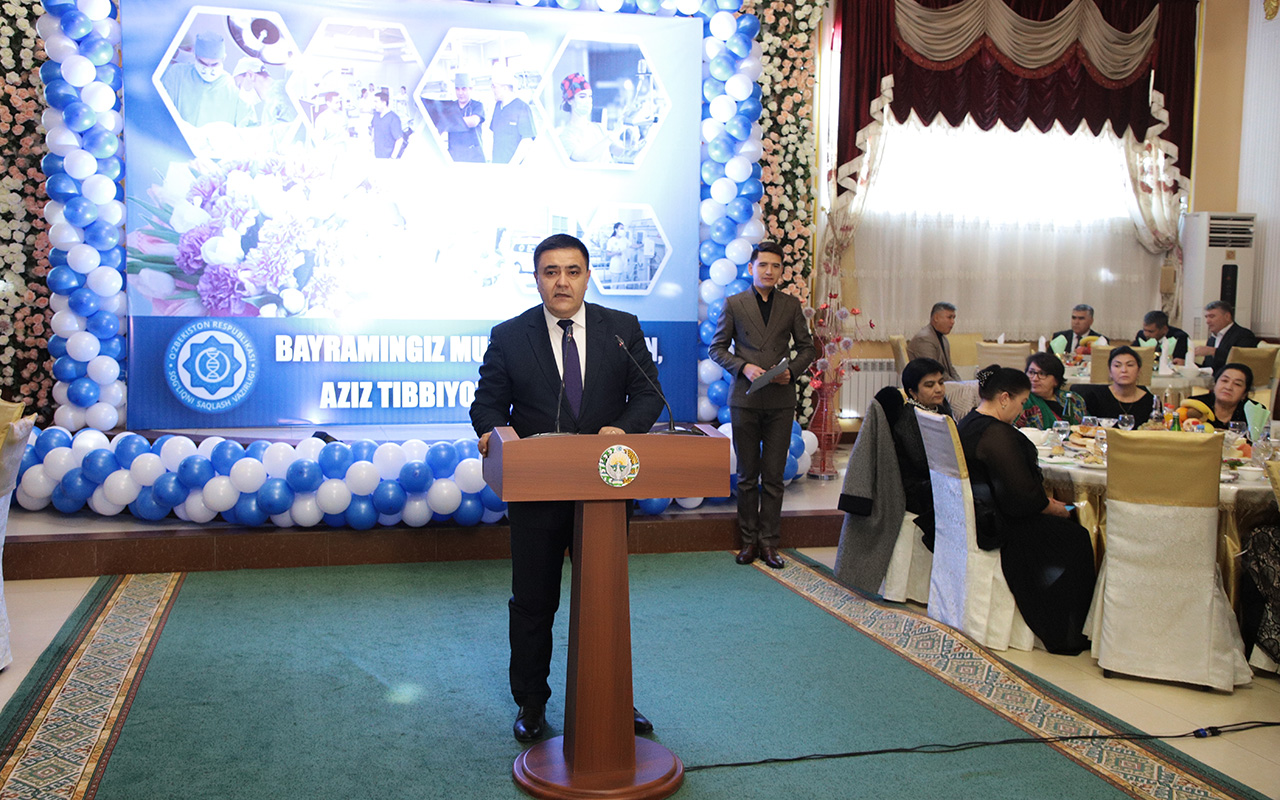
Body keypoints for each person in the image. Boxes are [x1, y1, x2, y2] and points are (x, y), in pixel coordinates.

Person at [470, 233, 664, 744]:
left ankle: (612, 697)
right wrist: (493, 431)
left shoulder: (621, 329)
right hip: (537, 490)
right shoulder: (510, 336)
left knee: (603, 599)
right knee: (534, 603)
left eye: (572, 271)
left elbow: (648, 394)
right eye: (551, 272)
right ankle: (531, 701)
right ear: (536, 279)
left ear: (587, 277)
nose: (562, 282)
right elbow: (487, 404)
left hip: (604, 488)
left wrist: (623, 429)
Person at [957, 366, 1095, 654]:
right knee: (1077, 537)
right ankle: (1066, 629)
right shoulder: (996, 433)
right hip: (998, 524)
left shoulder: (969, 421)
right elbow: (1021, 498)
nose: (1021, 410)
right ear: (1004, 398)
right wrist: (1054, 508)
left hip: (975, 514)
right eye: (1021, 402)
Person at [709, 241, 817, 570]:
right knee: (746, 476)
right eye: (763, 265)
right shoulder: (734, 303)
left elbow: (807, 349)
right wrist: (743, 367)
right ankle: (748, 542)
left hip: (780, 401)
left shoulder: (790, 305)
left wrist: (791, 371)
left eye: (775, 266)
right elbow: (717, 348)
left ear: (781, 271)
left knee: (773, 476)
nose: (769, 271)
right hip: (745, 399)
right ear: (751, 268)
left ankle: (769, 544)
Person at [835, 358, 950, 593]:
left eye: (940, 382)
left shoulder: (939, 410)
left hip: (930, 481)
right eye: (929, 385)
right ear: (912, 392)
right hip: (910, 489)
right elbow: (921, 461)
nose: (938, 389)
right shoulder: (909, 417)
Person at [160, 32, 255, 128]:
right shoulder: (178, 74)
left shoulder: (233, 87)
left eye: (214, 64)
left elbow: (247, 125)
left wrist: (246, 93)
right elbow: (159, 110)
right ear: (195, 56)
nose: (208, 69)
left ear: (223, 59)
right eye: (202, 63)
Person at [1079, 345, 1154, 425]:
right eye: (1117, 365)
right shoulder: (1095, 398)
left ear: (1139, 370)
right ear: (1110, 372)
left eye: (1130, 365)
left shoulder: (1150, 401)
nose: (1124, 370)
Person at [556, 73, 619, 164]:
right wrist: (611, 137)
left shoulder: (598, 128)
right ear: (569, 100)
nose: (588, 101)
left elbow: (617, 151)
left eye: (590, 96)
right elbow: (586, 157)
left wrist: (630, 143)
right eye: (582, 96)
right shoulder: (565, 136)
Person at [1016, 352, 1086, 429]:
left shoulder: (1073, 399)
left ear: (1056, 381)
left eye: (1042, 374)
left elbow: (1088, 426)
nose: (1035, 378)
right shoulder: (1022, 401)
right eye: (1031, 372)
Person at [1189, 363, 1264, 430]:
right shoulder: (1194, 405)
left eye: (1237, 384)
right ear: (1214, 385)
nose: (1228, 387)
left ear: (1244, 394)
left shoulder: (1254, 412)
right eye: (1224, 380)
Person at [1194, 300, 1258, 372]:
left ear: (1227, 316)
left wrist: (1214, 351)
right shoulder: (1212, 339)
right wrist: (1189, 365)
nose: (1207, 321)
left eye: (1212, 316)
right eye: (1206, 317)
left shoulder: (1244, 335)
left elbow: (1241, 361)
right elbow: (1209, 368)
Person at [489, 69, 536, 165]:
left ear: (505, 88)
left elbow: (527, 141)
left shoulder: (522, 107)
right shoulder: (498, 107)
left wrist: (511, 165)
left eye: (494, 86)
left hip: (514, 167)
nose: (492, 90)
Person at [906, 302, 960, 380]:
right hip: (928, 384)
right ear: (936, 318)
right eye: (949, 317)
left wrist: (961, 384)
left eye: (953, 318)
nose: (953, 322)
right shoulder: (924, 339)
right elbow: (934, 371)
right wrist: (956, 385)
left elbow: (950, 368)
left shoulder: (943, 338)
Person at [446, 73, 486, 163]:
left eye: (464, 89)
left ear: (470, 89)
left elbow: (473, 122)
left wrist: (449, 121)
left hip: (474, 157)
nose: (460, 93)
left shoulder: (477, 105)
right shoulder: (450, 107)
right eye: (457, 89)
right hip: (455, 156)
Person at [369, 90, 406, 159]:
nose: (374, 105)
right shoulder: (376, 115)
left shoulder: (393, 118)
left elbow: (399, 139)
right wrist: (370, 144)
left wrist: (392, 158)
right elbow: (374, 129)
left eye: (376, 102)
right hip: (377, 155)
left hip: (388, 157)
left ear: (384, 103)